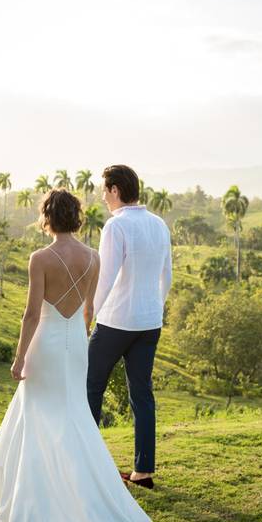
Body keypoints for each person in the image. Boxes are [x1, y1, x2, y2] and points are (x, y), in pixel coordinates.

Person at [0, 188, 159, 522]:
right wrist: (78, 336)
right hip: (75, 343)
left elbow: (31, 315)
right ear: (77, 217)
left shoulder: (40, 258)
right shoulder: (92, 258)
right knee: (69, 416)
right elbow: (88, 310)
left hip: (47, 343)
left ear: (48, 218)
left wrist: (20, 357)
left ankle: (35, 497)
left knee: (40, 416)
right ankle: (63, 488)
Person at [87, 164, 173, 489]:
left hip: (115, 321)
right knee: (142, 393)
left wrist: (88, 316)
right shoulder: (159, 224)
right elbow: (168, 274)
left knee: (90, 387)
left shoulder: (115, 226)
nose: (102, 197)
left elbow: (105, 278)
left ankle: (90, 466)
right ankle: (143, 471)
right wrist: (153, 307)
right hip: (150, 322)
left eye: (104, 190)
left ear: (114, 190)